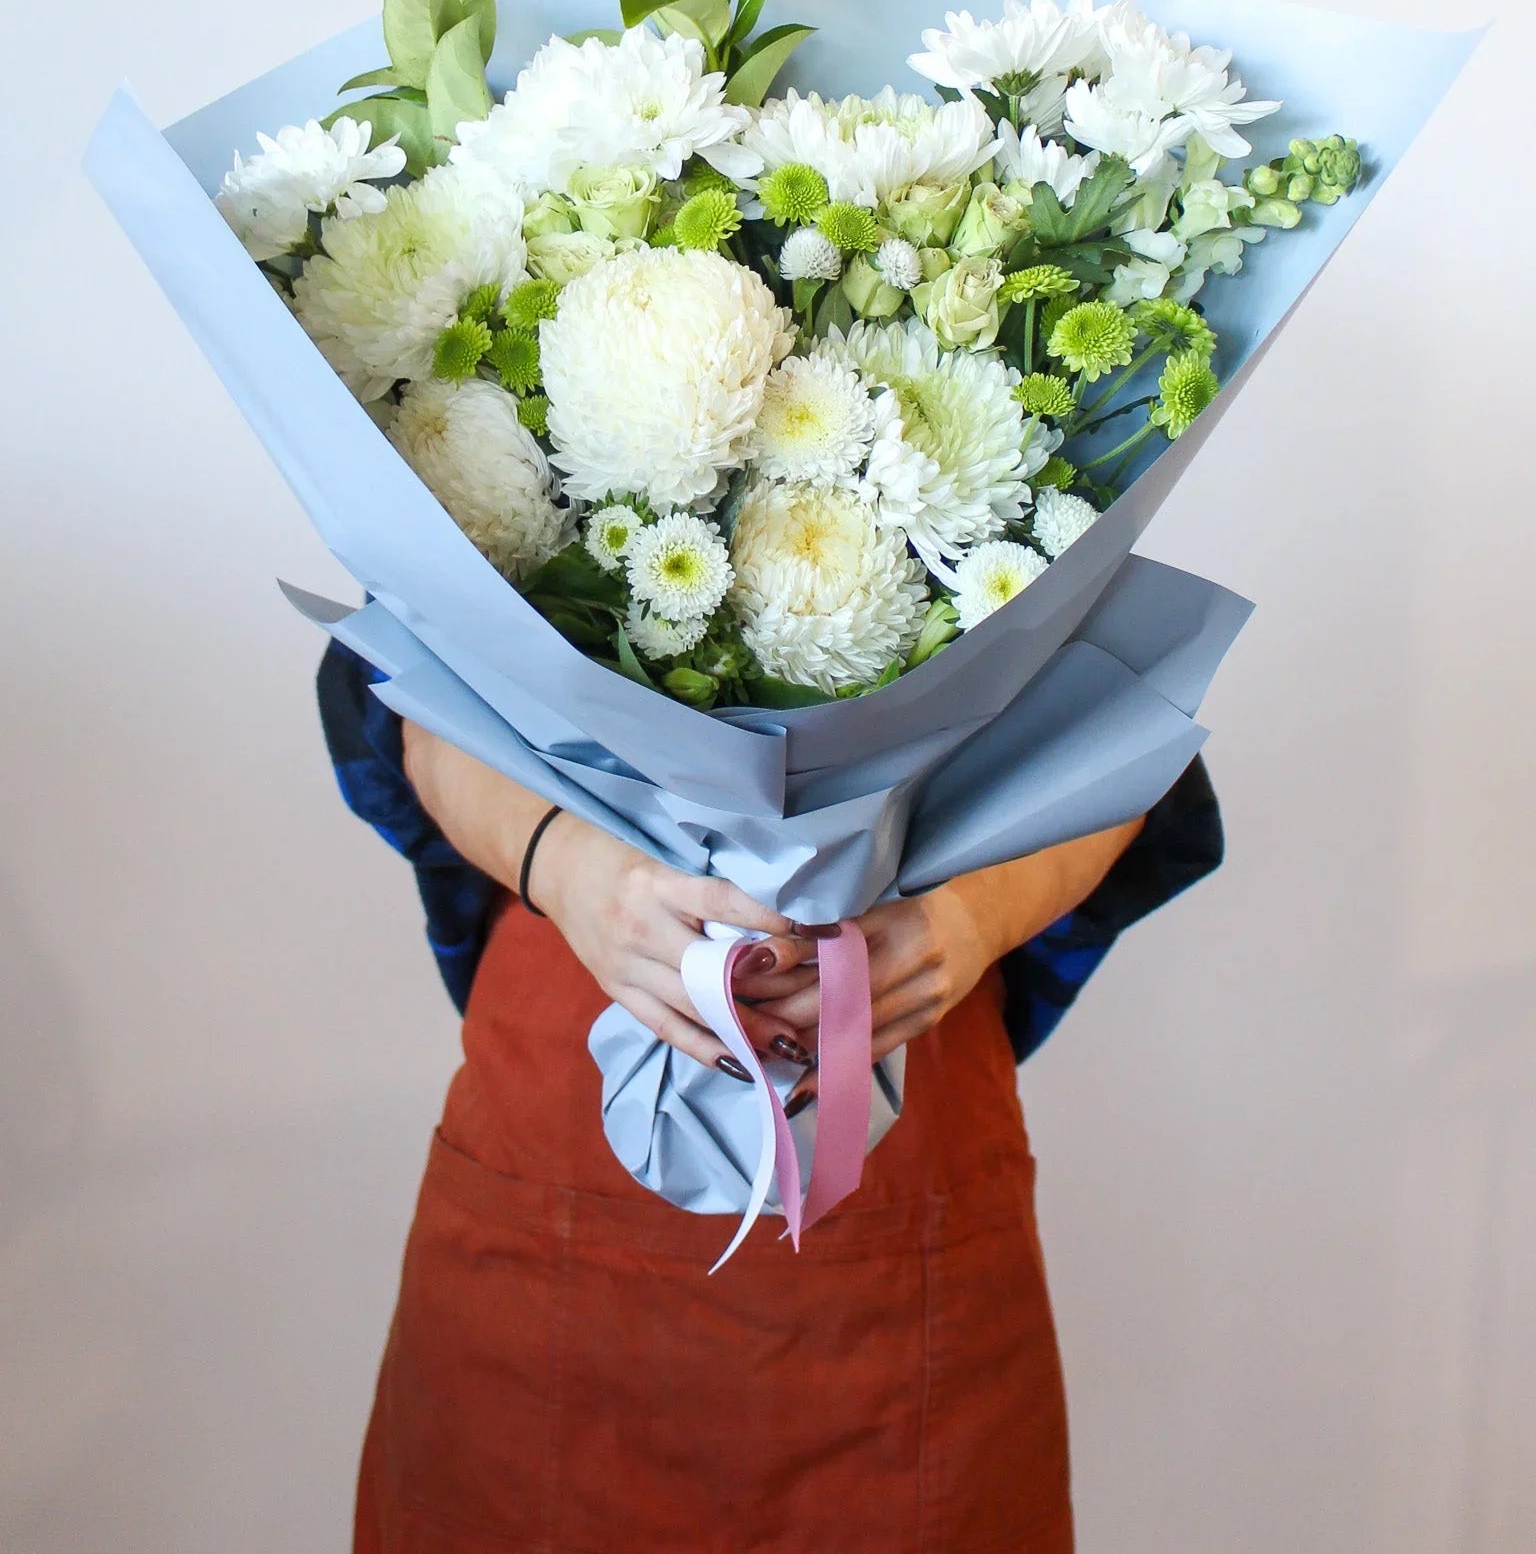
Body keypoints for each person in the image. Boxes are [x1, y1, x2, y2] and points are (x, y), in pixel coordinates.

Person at [319, 640, 1223, 1554]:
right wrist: (565, 866)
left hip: (909, 1166)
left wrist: (971, 917)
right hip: (550, 1149)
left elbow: (1124, 734)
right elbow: (401, 680)